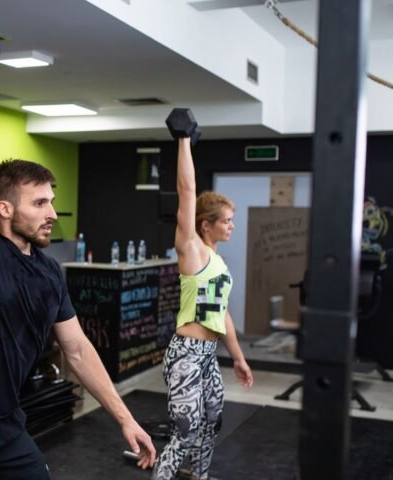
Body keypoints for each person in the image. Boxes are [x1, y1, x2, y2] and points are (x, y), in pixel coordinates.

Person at [0, 34, 157, 480]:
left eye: (51, 200)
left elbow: (78, 349)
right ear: (5, 208)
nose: (51, 212)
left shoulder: (48, 272)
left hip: (7, 428)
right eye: (39, 203)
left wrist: (124, 417)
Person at [152, 137, 253, 480]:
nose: (232, 226)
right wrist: (184, 141)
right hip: (186, 356)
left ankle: (200, 476)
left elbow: (221, 314)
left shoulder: (219, 264)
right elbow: (186, 189)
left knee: (212, 423)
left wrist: (237, 357)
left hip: (209, 354)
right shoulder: (192, 249)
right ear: (206, 223)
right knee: (185, 433)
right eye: (226, 220)